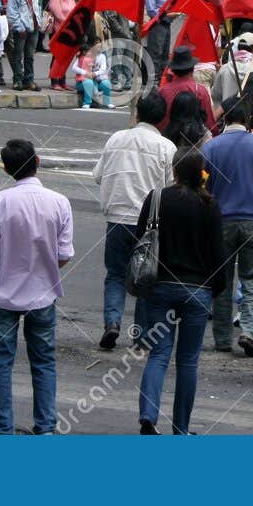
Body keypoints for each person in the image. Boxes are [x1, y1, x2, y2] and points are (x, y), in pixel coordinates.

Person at [0, 139, 74, 435]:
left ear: (7, 169)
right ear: (37, 161)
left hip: (4, 293)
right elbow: (64, 254)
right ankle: (45, 426)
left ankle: (2, 428)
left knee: (1, 362)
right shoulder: (59, 201)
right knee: (44, 362)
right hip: (42, 293)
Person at [134, 151, 224, 434]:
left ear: (174, 171)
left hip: (160, 285)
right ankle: (181, 428)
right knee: (187, 361)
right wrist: (216, 289)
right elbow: (218, 253)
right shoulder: (210, 204)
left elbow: (140, 238)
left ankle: (148, 415)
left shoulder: (157, 199)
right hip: (198, 288)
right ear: (201, 173)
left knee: (158, 354)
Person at [92, 91, 176, 350]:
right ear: (162, 118)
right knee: (146, 278)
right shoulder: (166, 147)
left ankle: (112, 322)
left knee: (115, 274)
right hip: (149, 223)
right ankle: (141, 335)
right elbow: (170, 187)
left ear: (137, 113)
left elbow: (98, 175)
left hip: (117, 217)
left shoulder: (116, 139)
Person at [203, 94, 253, 356]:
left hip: (221, 221)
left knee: (222, 281)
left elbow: (204, 187)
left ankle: (223, 337)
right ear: (248, 118)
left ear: (224, 118)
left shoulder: (211, 147)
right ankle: (248, 330)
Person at [157, 45, 216, 130]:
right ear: (192, 68)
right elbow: (209, 122)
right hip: (192, 136)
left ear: (173, 70)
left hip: (166, 135)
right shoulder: (200, 91)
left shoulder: (162, 91)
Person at [5, 0, 43, 91]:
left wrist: (40, 22)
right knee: (18, 55)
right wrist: (19, 27)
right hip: (21, 29)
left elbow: (38, 7)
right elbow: (12, 13)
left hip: (34, 28)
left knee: (30, 56)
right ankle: (17, 80)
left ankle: (29, 80)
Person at [69, 39, 112, 109]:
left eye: (100, 45)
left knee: (106, 83)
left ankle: (107, 103)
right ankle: (87, 103)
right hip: (84, 81)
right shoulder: (83, 56)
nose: (99, 46)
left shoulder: (102, 56)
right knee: (89, 83)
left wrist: (94, 74)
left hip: (96, 80)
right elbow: (74, 68)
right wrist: (86, 73)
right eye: (96, 44)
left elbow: (103, 69)